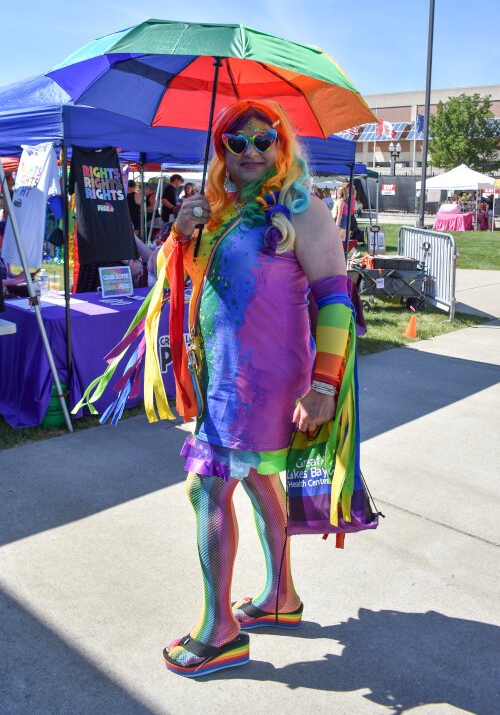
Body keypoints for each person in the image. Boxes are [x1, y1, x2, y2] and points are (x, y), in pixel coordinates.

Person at [150, 100, 357, 677]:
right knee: (261, 478)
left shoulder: (303, 207)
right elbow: (191, 284)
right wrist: (181, 232)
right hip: (223, 373)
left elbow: (336, 299)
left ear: (281, 145)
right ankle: (280, 598)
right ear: (221, 152)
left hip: (263, 380)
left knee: (207, 488)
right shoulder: (220, 210)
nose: (250, 152)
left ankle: (221, 632)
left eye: (262, 140)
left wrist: (324, 385)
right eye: (235, 143)